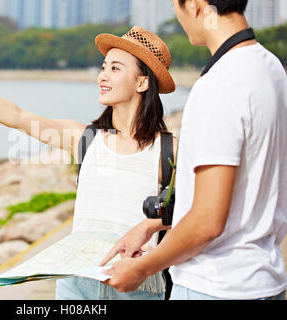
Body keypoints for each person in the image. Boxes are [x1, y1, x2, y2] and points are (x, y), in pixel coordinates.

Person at [0, 25, 178, 300]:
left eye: (115, 69)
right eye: (103, 67)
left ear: (142, 82)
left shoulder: (169, 150)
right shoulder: (85, 139)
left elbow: (199, 215)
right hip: (76, 285)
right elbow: (16, 116)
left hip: (138, 287)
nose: (102, 76)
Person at [100, 0, 287, 300]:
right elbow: (245, 190)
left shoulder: (219, 85)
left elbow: (207, 222)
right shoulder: (271, 68)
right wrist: (151, 226)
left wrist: (143, 267)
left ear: (198, 5)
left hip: (214, 286)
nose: (177, 11)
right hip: (264, 280)